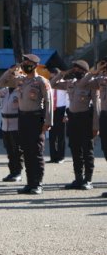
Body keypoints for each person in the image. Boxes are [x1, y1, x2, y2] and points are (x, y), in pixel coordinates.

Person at [0, 54, 53, 195]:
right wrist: (12, 70)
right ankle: (29, 183)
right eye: (23, 62)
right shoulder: (21, 81)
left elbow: (48, 101)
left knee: (36, 152)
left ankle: (37, 183)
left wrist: (48, 121)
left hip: (36, 118)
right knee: (26, 152)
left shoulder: (41, 81)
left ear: (34, 65)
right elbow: (2, 83)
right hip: (23, 118)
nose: (24, 64)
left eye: (27, 62)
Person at [51, 61, 99, 190]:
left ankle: (88, 179)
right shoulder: (70, 83)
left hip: (85, 119)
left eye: (78, 69)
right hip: (73, 119)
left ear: (84, 71)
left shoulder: (91, 84)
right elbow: (52, 84)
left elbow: (96, 106)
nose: (75, 71)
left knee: (87, 150)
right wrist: (62, 73)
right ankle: (78, 178)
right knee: (75, 149)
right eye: (74, 69)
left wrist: (96, 126)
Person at [0, 69, 24, 182]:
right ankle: (12, 172)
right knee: (9, 150)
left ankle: (18, 172)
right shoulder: (5, 91)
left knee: (17, 150)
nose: (9, 78)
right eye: (8, 76)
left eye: (12, 76)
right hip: (5, 124)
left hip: (16, 123)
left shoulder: (20, 91)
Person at [49, 67, 68, 164]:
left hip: (61, 109)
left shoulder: (64, 84)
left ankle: (61, 157)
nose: (50, 76)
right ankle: (53, 157)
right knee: (52, 135)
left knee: (61, 135)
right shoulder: (50, 84)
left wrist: (66, 113)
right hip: (53, 110)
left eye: (52, 74)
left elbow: (67, 99)